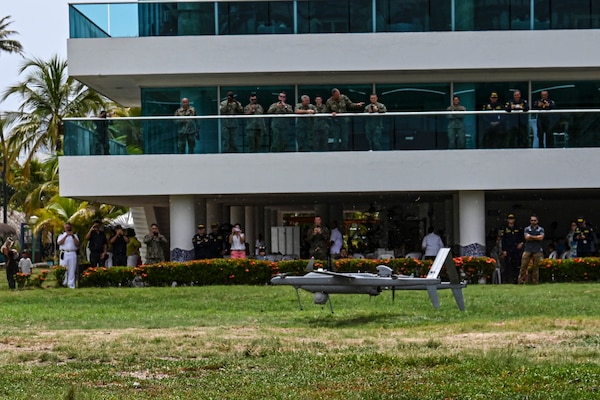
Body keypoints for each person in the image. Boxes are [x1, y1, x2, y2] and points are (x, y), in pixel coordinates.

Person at [518, 214, 545, 284]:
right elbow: (526, 238)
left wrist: (531, 237)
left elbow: (541, 238)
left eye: (535, 220)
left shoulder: (541, 229)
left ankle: (535, 282)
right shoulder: (527, 229)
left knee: (536, 267)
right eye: (532, 220)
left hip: (537, 249)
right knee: (523, 266)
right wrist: (536, 237)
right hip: (528, 249)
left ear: (537, 221)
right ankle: (521, 281)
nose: (533, 222)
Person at [500, 213, 524, 284]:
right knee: (507, 265)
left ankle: (516, 280)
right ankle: (507, 280)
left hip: (516, 249)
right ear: (507, 220)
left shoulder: (518, 228)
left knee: (516, 264)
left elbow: (522, 238)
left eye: (512, 219)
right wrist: (503, 250)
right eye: (509, 219)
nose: (511, 220)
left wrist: (521, 244)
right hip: (507, 249)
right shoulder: (505, 229)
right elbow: (503, 240)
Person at [57, 222, 80, 289]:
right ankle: (64, 283)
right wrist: (66, 236)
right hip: (64, 253)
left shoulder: (75, 235)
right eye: (66, 227)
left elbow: (77, 244)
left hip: (72, 253)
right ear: (64, 228)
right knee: (63, 268)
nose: (68, 228)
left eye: (69, 227)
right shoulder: (61, 235)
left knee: (72, 269)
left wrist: (72, 236)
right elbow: (59, 243)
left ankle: (71, 284)